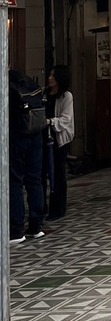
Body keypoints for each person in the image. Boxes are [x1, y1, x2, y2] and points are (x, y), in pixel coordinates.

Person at [9, 68, 47, 243]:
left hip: (17, 137)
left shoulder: (9, 87)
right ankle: (36, 225)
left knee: (15, 182)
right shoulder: (30, 83)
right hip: (36, 136)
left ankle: (16, 230)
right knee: (34, 180)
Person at [45, 66, 75, 221]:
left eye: (53, 76)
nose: (50, 78)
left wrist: (50, 122)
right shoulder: (45, 94)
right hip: (45, 139)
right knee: (44, 173)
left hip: (59, 140)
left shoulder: (66, 96)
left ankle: (58, 208)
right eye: (50, 75)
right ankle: (44, 207)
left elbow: (66, 119)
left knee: (58, 173)